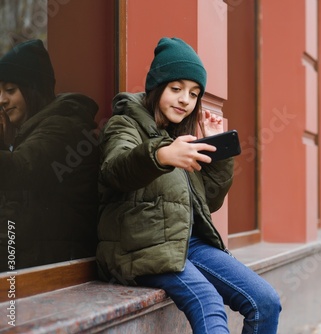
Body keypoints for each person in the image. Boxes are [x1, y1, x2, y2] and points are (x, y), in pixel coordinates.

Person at [96, 37, 281, 333]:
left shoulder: (177, 137)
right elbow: (115, 169)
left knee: (266, 301)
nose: (185, 100)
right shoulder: (124, 124)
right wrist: (160, 155)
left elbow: (207, 201)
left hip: (188, 243)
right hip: (142, 247)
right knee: (208, 303)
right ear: (157, 88)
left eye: (194, 94)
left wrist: (219, 155)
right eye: (176, 88)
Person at [0, 39, 99, 271]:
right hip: (40, 258)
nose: (2, 100)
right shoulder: (32, 131)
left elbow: (20, 171)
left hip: (59, 268)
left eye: (10, 90)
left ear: (33, 89)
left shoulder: (62, 127)